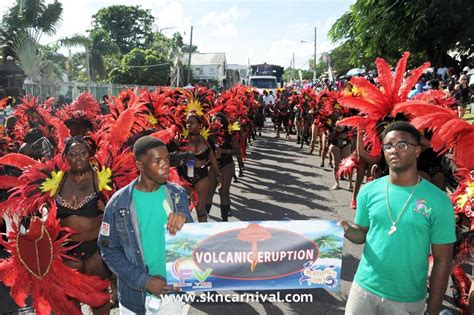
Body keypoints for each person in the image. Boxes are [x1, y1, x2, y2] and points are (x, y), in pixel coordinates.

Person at [339, 121, 455, 315]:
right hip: (363, 290)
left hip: (407, 300)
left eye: (402, 145)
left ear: (417, 150)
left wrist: (433, 310)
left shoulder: (439, 201)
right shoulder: (368, 191)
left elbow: (443, 261)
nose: (394, 150)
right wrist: (347, 230)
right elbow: (362, 235)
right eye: (389, 146)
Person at [98, 136, 192, 314]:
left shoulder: (177, 194)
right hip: (134, 298)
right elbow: (109, 251)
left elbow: (192, 239)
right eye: (158, 161)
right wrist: (144, 281)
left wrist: (185, 221)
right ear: (140, 166)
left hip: (171, 292)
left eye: (167, 159)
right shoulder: (119, 203)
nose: (165, 165)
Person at [56, 135, 111, 314]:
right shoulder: (56, 182)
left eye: (82, 153)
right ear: (65, 157)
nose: (78, 158)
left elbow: (121, 211)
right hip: (67, 250)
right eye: (72, 154)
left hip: (95, 249)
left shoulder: (101, 180)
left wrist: (107, 207)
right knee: (69, 301)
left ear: (90, 155)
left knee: (98, 298)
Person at [181, 113, 221, 222]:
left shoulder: (206, 141)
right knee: (184, 210)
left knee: (201, 210)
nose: (188, 125)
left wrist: (218, 175)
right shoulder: (180, 140)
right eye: (187, 123)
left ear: (199, 125)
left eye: (192, 123)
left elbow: (212, 158)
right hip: (184, 177)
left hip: (201, 175)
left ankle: (203, 233)